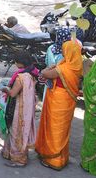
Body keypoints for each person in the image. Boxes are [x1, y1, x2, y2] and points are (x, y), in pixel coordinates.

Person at [35, 40, 83, 170]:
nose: (62, 52)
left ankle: (53, 159)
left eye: (64, 50)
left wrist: (48, 68)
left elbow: (45, 74)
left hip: (58, 100)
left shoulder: (63, 68)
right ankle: (61, 158)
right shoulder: (77, 66)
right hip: (68, 101)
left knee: (54, 129)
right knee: (62, 130)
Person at [0, 52, 38, 167]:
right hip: (27, 109)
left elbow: (12, 93)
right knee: (22, 132)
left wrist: (5, 89)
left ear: (19, 63)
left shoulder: (20, 77)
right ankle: (13, 154)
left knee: (16, 132)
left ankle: (18, 160)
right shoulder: (32, 73)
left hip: (19, 109)